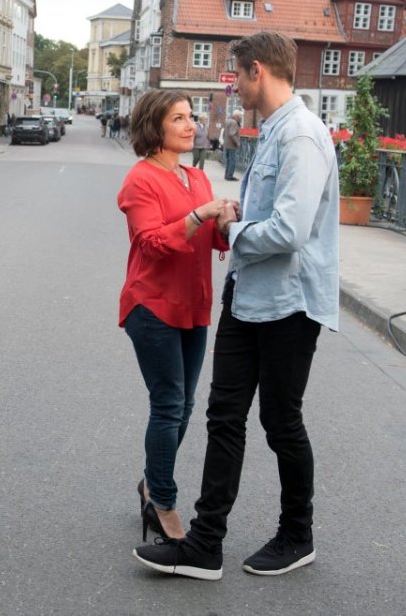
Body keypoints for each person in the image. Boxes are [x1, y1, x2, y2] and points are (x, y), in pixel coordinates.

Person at [133, 31, 339, 580]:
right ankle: (205, 545)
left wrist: (230, 223)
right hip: (248, 296)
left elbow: (291, 231)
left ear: (256, 71)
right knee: (224, 417)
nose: (233, 86)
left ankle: (297, 534)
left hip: (289, 303)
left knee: (280, 420)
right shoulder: (271, 131)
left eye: (236, 75)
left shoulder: (300, 136)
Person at [118, 90, 236, 543]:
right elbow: (151, 243)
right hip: (151, 306)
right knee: (168, 406)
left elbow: (212, 241)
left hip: (193, 306)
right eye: (179, 118)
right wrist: (197, 214)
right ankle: (161, 502)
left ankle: (152, 480)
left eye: (192, 117)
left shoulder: (196, 178)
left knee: (185, 405)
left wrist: (225, 221)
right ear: (155, 126)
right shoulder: (140, 180)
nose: (191, 125)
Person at [221, 109, 242, 180]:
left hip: (227, 144)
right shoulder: (234, 123)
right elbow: (231, 134)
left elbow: (224, 133)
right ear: (236, 116)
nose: (240, 118)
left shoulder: (228, 121)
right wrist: (237, 143)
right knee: (232, 161)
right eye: (239, 117)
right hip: (232, 145)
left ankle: (227, 175)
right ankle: (230, 176)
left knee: (228, 160)